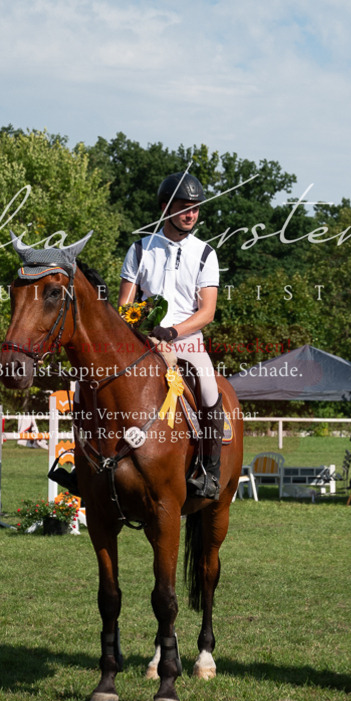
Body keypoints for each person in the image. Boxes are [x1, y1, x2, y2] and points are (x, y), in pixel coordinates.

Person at [118, 171, 223, 499]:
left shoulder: (206, 253)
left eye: (195, 208)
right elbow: (125, 304)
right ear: (165, 209)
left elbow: (207, 311)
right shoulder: (139, 249)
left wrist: (174, 330)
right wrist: (141, 326)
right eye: (183, 207)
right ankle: (85, 466)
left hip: (187, 342)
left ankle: (209, 470)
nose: (191, 214)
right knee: (94, 384)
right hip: (144, 344)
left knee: (208, 391)